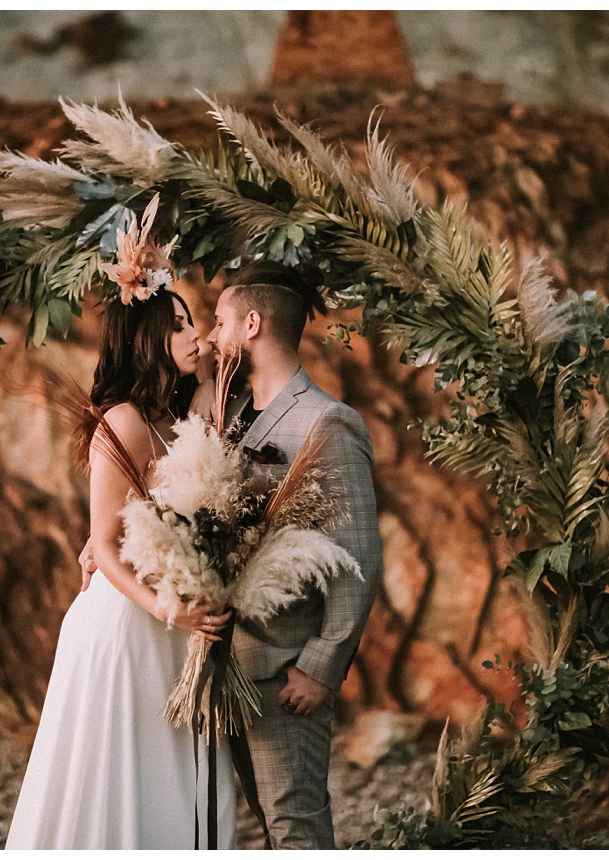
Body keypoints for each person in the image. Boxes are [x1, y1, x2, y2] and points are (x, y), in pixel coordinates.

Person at [5, 288, 237, 849]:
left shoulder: (174, 418)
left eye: (193, 325)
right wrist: (169, 609)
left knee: (187, 785)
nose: (195, 337)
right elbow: (103, 546)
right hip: (129, 624)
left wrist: (206, 372)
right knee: (121, 783)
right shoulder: (124, 421)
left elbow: (209, 440)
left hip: (171, 632)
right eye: (179, 326)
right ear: (146, 338)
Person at [207, 260, 384, 849]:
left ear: (251, 323)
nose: (211, 337)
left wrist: (321, 666)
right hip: (227, 666)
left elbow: (357, 555)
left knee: (295, 824)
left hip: (286, 672)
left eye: (219, 321)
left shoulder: (327, 421)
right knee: (264, 818)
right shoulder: (227, 416)